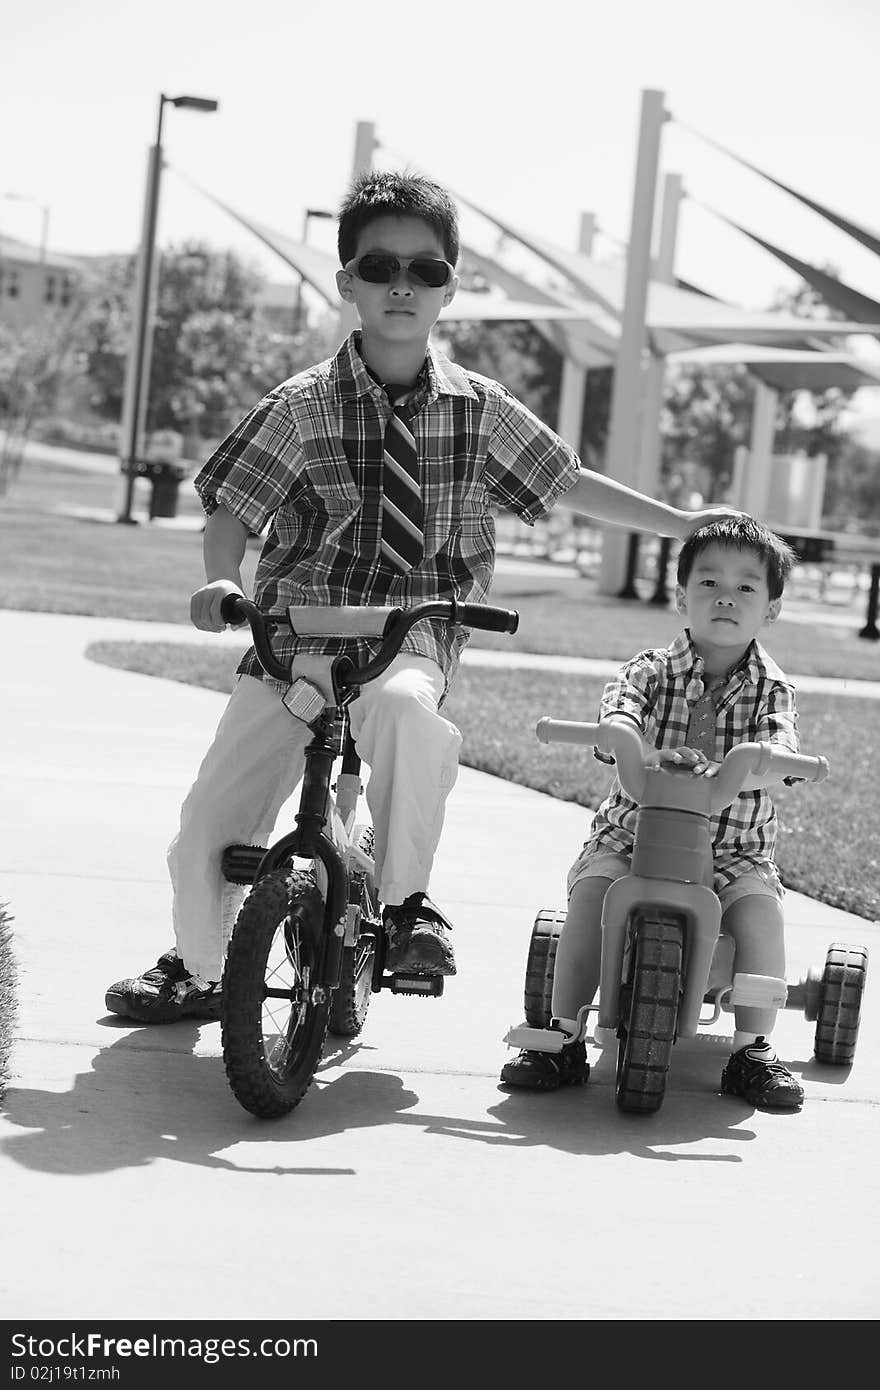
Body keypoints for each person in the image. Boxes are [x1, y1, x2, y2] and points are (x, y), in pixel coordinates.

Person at [105, 169, 738, 1024]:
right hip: (295, 637)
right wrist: (221, 580)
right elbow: (231, 512)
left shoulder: (479, 409)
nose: (402, 284)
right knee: (206, 825)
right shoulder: (300, 406)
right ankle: (202, 967)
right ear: (347, 284)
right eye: (379, 266)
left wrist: (679, 521)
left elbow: (567, 482)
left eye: (426, 270)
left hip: (411, 633)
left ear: (450, 288)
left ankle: (408, 908)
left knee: (405, 713)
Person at [501, 514, 807, 1110]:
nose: (726, 596)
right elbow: (620, 711)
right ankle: (562, 1036)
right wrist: (625, 736)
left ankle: (752, 1049)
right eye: (708, 582)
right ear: (680, 596)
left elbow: (782, 747)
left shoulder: (773, 689)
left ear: (771, 609)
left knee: (760, 916)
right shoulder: (649, 671)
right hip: (632, 837)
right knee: (592, 894)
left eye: (747, 587)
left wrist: (770, 761)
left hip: (732, 849)